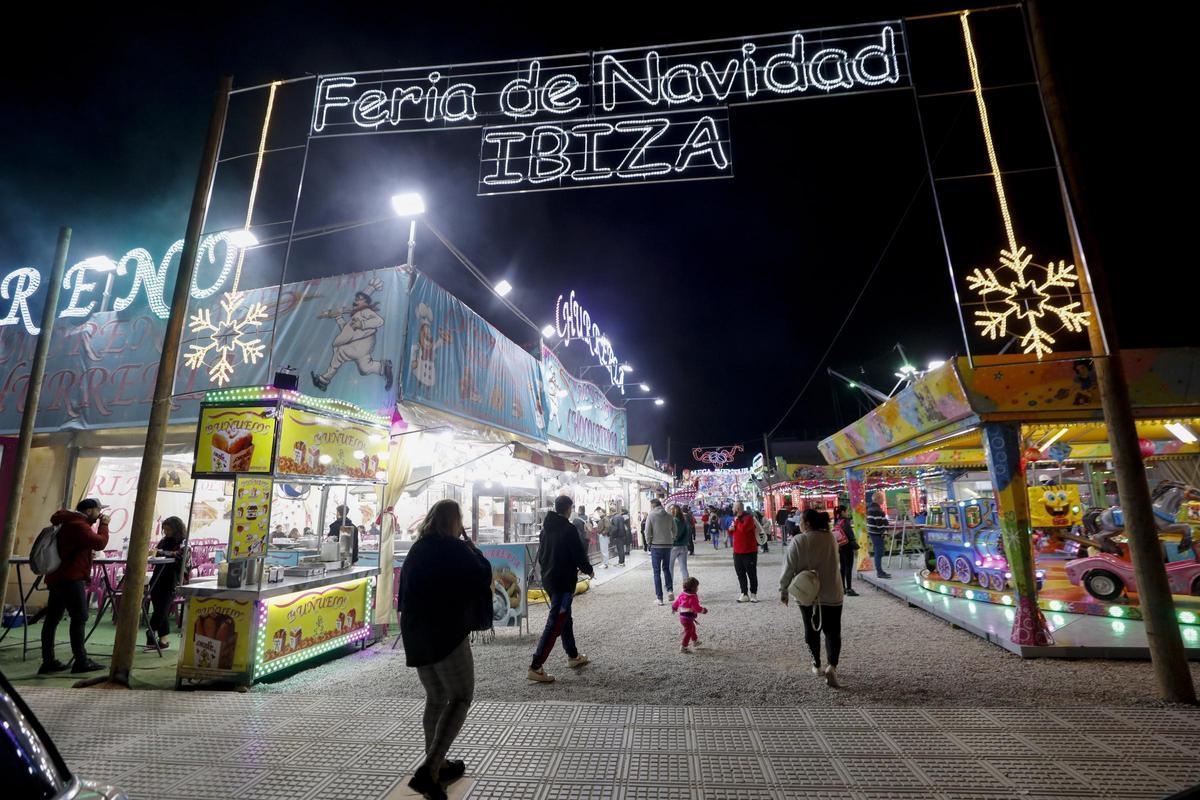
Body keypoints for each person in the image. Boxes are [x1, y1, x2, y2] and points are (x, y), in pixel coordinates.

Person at [399, 499, 492, 799]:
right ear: (455, 521)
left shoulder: (418, 547)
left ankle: (437, 767)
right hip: (446, 635)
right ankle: (430, 770)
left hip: (415, 634)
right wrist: (468, 542)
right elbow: (482, 573)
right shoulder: (452, 548)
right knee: (461, 696)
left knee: (436, 697)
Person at [528, 496, 594, 683]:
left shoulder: (546, 529)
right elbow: (578, 553)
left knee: (566, 618)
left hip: (550, 578)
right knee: (556, 620)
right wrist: (588, 569)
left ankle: (573, 655)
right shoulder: (568, 528)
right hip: (563, 580)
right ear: (568, 509)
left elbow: (541, 554)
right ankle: (535, 665)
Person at [39, 499, 109, 674]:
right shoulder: (78, 525)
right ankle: (81, 661)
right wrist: (104, 525)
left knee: (52, 619)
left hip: (58, 576)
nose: (100, 513)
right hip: (71, 577)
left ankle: (48, 661)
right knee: (79, 618)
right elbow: (100, 543)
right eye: (98, 510)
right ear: (90, 510)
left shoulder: (68, 521)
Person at [780, 509, 845, 688]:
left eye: (801, 521)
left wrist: (783, 590)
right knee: (833, 631)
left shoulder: (798, 541)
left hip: (807, 594)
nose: (799, 523)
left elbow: (788, 568)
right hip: (833, 592)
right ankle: (832, 665)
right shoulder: (831, 538)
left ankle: (816, 664)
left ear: (807, 523)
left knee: (811, 629)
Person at [147, 516, 188, 649]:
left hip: (172, 578)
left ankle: (151, 632)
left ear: (176, 529)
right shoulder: (164, 540)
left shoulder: (184, 542)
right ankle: (163, 639)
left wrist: (161, 553)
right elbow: (158, 553)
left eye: (169, 529)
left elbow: (181, 556)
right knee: (158, 607)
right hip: (158, 576)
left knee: (163, 607)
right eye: (164, 529)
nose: (166, 532)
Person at [645, 499, 676, 605]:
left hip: (656, 546)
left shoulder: (651, 515)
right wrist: (672, 539)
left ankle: (660, 598)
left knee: (656, 572)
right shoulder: (669, 515)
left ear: (653, 505)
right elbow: (674, 530)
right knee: (666, 569)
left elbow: (647, 531)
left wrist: (649, 542)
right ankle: (670, 590)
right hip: (668, 546)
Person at [729, 501, 760, 603]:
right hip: (737, 551)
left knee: (751, 573)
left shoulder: (749, 518)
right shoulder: (735, 519)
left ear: (738, 509)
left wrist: (737, 521)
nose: (732, 509)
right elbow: (731, 531)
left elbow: (743, 529)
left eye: (734, 508)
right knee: (740, 573)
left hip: (749, 551)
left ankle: (753, 593)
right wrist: (731, 527)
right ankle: (744, 593)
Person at [671, 576, 708, 653]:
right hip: (687, 618)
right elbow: (696, 608)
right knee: (688, 631)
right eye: (697, 587)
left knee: (692, 628)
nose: (698, 588)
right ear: (693, 588)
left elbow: (676, 602)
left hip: (683, 617)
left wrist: (674, 607)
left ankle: (695, 641)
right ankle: (684, 646)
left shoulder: (682, 595)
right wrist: (703, 610)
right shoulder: (692, 598)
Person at [833, 506, 860, 596]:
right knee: (849, 567)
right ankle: (849, 589)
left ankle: (842, 588)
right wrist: (856, 548)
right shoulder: (845, 522)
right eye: (846, 511)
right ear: (843, 512)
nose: (848, 513)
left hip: (840, 546)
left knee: (843, 567)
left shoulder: (837, 521)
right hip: (847, 547)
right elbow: (850, 536)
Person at [866, 491, 892, 579]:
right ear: (878, 499)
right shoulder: (876, 510)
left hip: (873, 533)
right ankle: (879, 572)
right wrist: (885, 528)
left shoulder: (871, 508)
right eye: (882, 498)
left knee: (879, 552)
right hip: (877, 534)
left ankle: (880, 571)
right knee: (879, 552)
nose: (883, 500)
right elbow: (879, 524)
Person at [670, 505, 690, 583]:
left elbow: (673, 534)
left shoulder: (674, 520)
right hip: (683, 546)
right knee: (683, 568)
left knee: (670, 567)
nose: (670, 511)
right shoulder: (683, 521)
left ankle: (669, 586)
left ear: (674, 511)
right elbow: (687, 533)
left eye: (671, 509)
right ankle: (687, 586)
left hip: (674, 546)